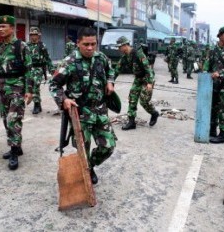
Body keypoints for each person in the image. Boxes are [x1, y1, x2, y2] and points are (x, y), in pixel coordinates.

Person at [49, 27, 116, 185]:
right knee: (82, 149)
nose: (90, 48)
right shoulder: (69, 62)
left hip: (100, 111)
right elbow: (54, 85)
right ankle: (86, 170)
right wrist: (63, 100)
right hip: (81, 114)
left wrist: (110, 81)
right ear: (78, 43)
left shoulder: (101, 58)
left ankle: (90, 166)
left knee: (108, 146)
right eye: (86, 44)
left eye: (93, 44)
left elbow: (111, 70)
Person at [0, 15, 33, 171]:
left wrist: (30, 90)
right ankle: (17, 146)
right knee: (5, 120)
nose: (1, 29)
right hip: (3, 89)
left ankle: (14, 152)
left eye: (4, 26)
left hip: (17, 88)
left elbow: (30, 69)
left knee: (12, 119)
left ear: (12, 28)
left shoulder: (21, 46)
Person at [115, 36, 159, 130]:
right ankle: (131, 122)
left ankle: (154, 113)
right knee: (132, 98)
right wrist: (110, 82)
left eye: (119, 47)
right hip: (138, 79)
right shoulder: (125, 57)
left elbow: (148, 68)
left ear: (125, 45)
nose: (118, 49)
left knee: (144, 101)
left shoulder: (138, 53)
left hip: (147, 78)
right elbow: (116, 70)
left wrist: (150, 83)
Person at [27, 27, 55, 114]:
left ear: (38, 36)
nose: (33, 37)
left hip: (38, 69)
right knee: (29, 88)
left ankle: (36, 105)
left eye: (35, 35)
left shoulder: (42, 46)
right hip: (29, 69)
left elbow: (48, 59)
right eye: (31, 35)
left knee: (36, 87)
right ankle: (38, 104)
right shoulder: (26, 45)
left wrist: (52, 70)